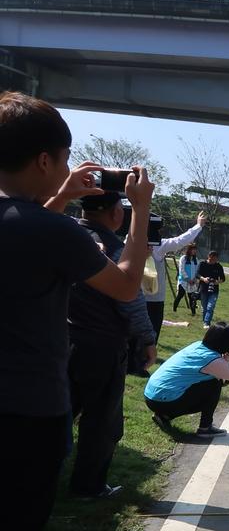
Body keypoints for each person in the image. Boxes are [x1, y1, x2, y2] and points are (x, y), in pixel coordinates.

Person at [0, 90, 153, 531]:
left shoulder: (39, 217)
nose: (68, 171)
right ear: (43, 160)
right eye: (62, 161)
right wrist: (139, 209)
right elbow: (121, 284)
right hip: (27, 405)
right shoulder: (50, 230)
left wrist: (61, 198)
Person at [68, 191, 157, 496]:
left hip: (60, 340)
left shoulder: (64, 232)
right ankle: (88, 485)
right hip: (102, 346)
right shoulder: (117, 249)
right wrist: (147, 338)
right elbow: (129, 299)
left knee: (57, 412)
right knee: (101, 421)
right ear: (117, 213)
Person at [144, 322, 229, 437]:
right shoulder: (211, 359)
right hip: (164, 401)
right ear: (227, 343)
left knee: (210, 382)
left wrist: (227, 355)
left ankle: (164, 416)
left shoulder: (198, 346)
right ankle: (205, 427)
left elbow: (221, 370)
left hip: (150, 396)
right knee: (214, 384)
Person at [145, 211, 206, 339]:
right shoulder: (153, 246)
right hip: (150, 300)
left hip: (143, 299)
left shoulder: (152, 245)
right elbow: (180, 241)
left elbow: (180, 241)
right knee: (147, 338)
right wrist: (198, 226)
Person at [197, 250, 225, 328]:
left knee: (210, 307)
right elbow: (197, 274)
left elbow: (223, 278)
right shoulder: (202, 264)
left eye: (215, 259)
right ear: (208, 257)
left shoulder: (218, 266)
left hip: (214, 289)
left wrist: (217, 282)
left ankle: (206, 323)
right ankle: (205, 322)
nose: (213, 261)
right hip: (203, 288)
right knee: (204, 308)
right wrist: (203, 279)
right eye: (212, 259)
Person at [174, 242, 200, 315]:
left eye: (195, 249)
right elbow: (181, 269)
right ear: (189, 250)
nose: (194, 251)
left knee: (192, 298)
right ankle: (174, 309)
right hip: (183, 281)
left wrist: (195, 279)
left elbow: (197, 270)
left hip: (193, 281)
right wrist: (187, 279)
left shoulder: (196, 260)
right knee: (180, 295)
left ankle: (193, 313)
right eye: (193, 249)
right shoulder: (183, 258)